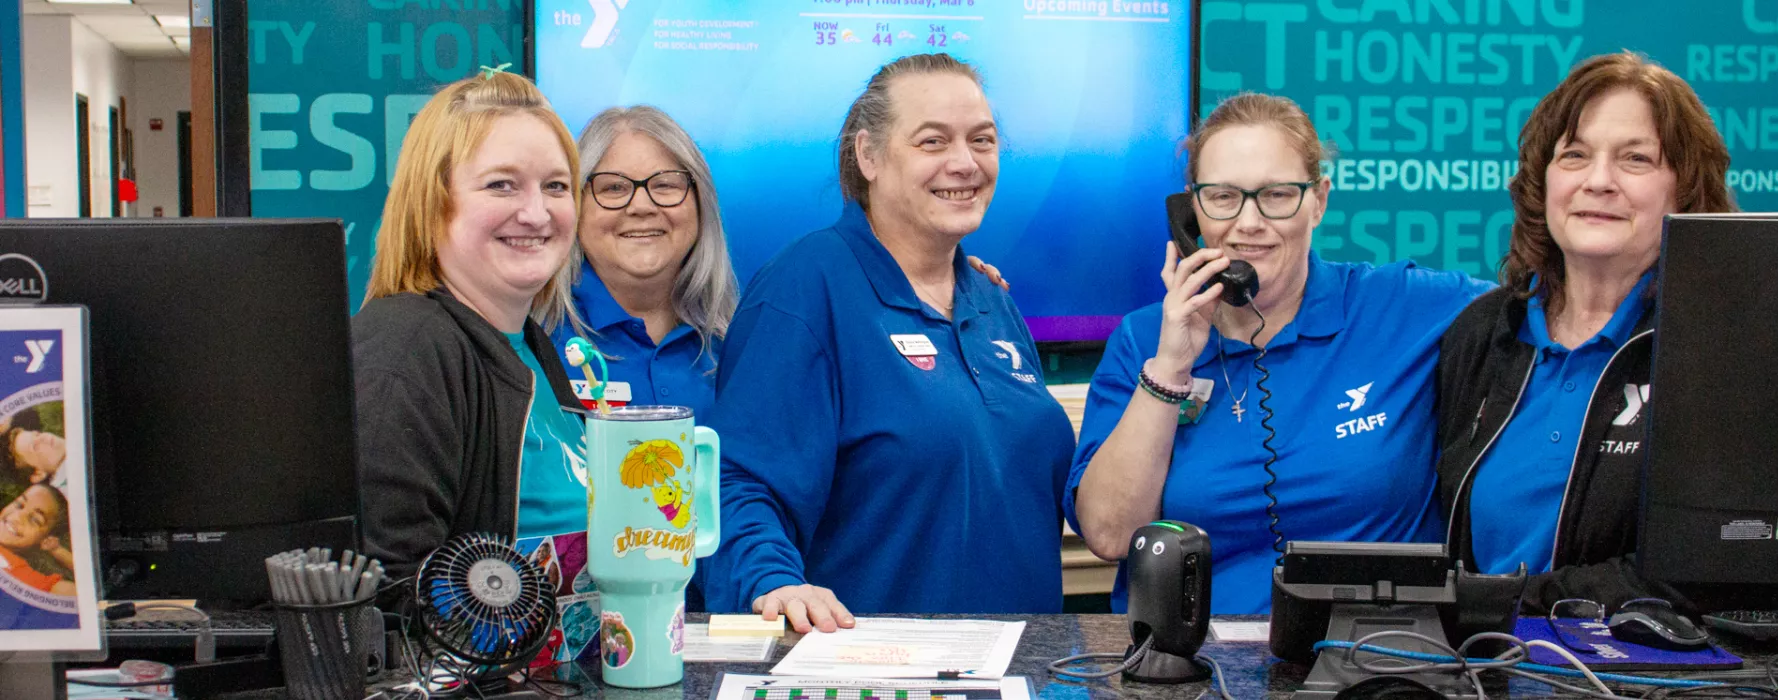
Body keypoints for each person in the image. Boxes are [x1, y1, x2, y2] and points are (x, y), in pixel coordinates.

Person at [1068, 93, 1493, 614]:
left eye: (1276, 195)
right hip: (1196, 651)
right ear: (1191, 209)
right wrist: (1172, 365)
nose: (1248, 222)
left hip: (1373, 645)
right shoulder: (1144, 339)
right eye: (1223, 196)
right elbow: (1110, 535)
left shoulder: (1402, 305)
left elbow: (1553, 302)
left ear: (1319, 201)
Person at [703, 53, 1074, 630]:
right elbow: (739, 480)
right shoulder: (807, 288)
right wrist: (773, 582)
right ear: (869, 155)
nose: (965, 163)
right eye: (933, 141)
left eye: (982, 140)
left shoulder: (992, 301)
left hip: (1021, 660)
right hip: (874, 662)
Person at [1434, 52, 1769, 614]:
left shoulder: (1729, 347)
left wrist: (1511, 601)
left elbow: (1731, 569)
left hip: (1649, 664)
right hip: (1478, 657)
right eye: (1575, 155)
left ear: (1685, 189)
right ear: (1543, 181)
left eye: (1636, 159)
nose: (1598, 181)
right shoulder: (1485, 332)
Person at [352, 70, 589, 586]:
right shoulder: (406, 350)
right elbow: (386, 590)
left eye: (555, 186)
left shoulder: (532, 348)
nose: (537, 213)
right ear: (432, 202)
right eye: (501, 185)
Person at [550, 107, 740, 418]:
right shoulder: (535, 341)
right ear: (575, 206)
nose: (641, 206)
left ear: (701, 204)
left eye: (665, 184)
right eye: (614, 187)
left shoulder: (740, 348)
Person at [0, 483, 75, 596]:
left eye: (35, 520)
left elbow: (90, 591)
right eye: (19, 504)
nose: (17, 516)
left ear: (45, 538)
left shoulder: (30, 583)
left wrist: (58, 551)